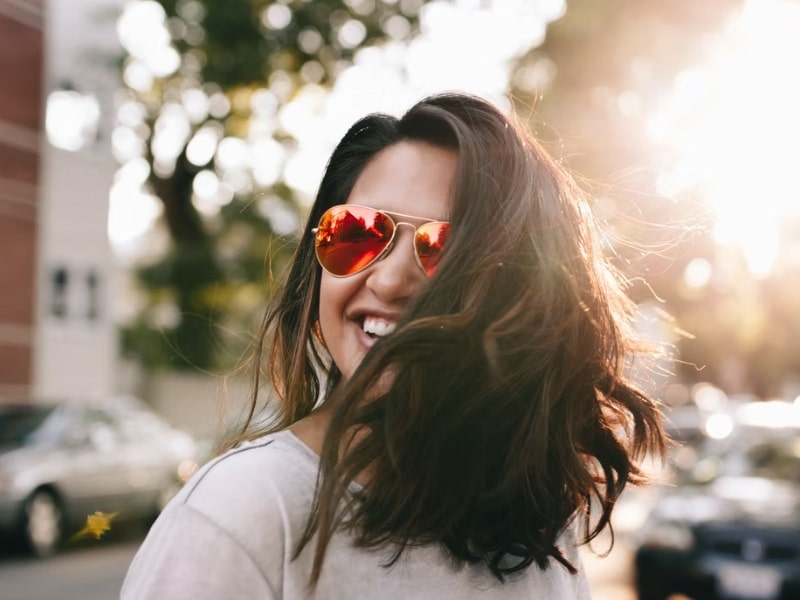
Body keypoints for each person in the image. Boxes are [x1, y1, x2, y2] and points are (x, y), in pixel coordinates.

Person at [121, 92, 666, 599]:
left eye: (447, 250)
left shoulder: (536, 525)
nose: (388, 280)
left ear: (522, 295)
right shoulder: (240, 512)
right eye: (358, 233)